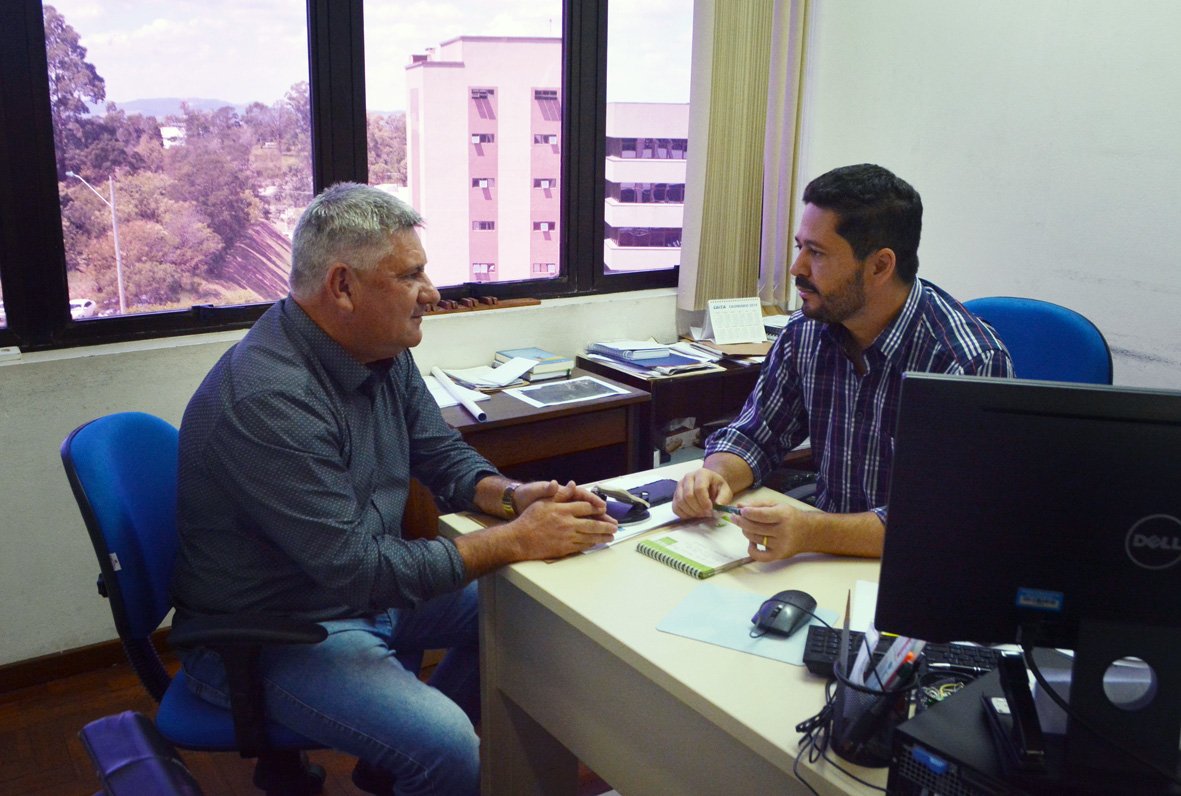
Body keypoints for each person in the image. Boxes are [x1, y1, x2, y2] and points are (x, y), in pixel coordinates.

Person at [170, 182, 618, 796]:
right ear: (343, 287)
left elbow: (438, 452)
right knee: (449, 746)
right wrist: (514, 541)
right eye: (411, 277)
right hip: (275, 632)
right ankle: (418, 762)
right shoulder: (268, 400)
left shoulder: (379, 346)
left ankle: (389, 766)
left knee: (529, 617)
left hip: (354, 594)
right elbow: (357, 570)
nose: (431, 294)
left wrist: (513, 496)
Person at [673, 164, 1014, 562]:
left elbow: (942, 520)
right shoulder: (806, 331)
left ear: (879, 266)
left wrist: (811, 530)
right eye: (800, 246)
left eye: (816, 253)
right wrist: (716, 474)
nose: (796, 268)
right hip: (823, 559)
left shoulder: (966, 362)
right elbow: (756, 434)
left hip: (915, 570)